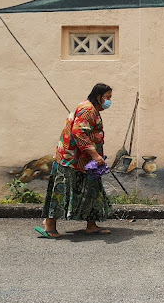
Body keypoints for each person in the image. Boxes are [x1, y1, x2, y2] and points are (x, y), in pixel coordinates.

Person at [34, 83, 114, 239]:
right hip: (71, 160)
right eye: (108, 98)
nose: (109, 101)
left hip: (85, 162)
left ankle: (91, 225)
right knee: (62, 191)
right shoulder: (87, 110)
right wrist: (95, 155)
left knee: (91, 190)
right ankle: (49, 225)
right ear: (98, 96)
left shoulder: (93, 110)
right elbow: (79, 133)